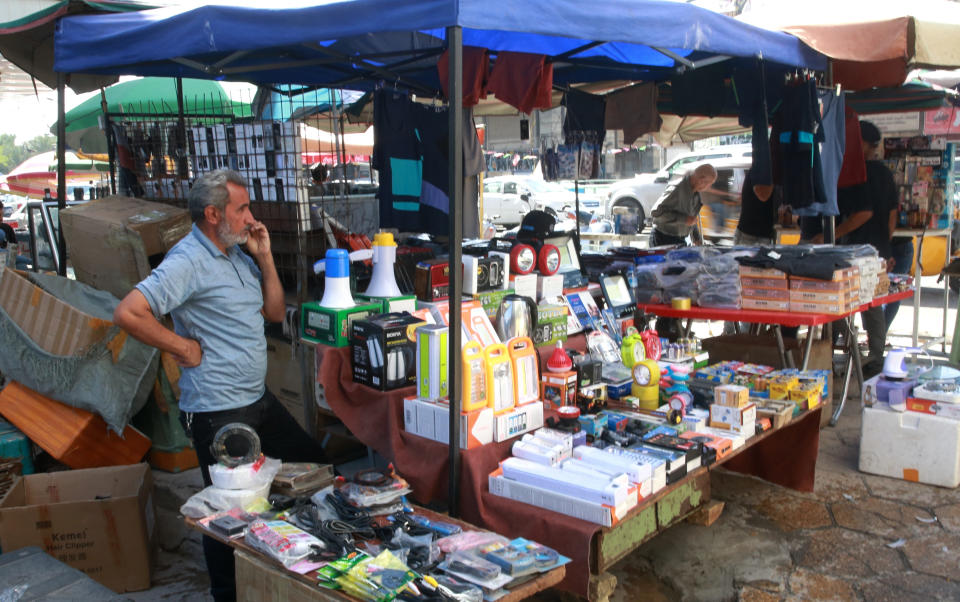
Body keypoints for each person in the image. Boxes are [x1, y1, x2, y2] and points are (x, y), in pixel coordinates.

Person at [113, 169, 327, 602]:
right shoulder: (187, 260)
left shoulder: (237, 254)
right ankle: (227, 595)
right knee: (228, 513)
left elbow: (273, 311)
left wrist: (265, 257)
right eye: (242, 209)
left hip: (256, 400)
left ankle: (283, 570)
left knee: (316, 470)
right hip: (218, 409)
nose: (252, 217)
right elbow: (129, 313)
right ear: (213, 213)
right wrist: (182, 347)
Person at [810, 120, 898, 376]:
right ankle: (874, 355)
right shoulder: (884, 173)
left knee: (842, 299)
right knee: (871, 302)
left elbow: (863, 213)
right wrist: (883, 246)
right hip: (875, 247)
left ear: (862, 144)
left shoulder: (858, 172)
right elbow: (892, 214)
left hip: (857, 248)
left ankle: (832, 348)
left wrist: (834, 234)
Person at [650, 163, 718, 247]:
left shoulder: (695, 194)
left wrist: (697, 239)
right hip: (663, 238)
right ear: (701, 180)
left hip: (679, 239)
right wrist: (684, 219)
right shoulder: (677, 189)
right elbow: (656, 213)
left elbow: (692, 220)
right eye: (709, 183)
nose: (709, 187)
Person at [734, 167, 781, 246]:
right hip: (751, 231)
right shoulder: (762, 173)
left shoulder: (757, 171)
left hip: (757, 230)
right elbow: (763, 196)